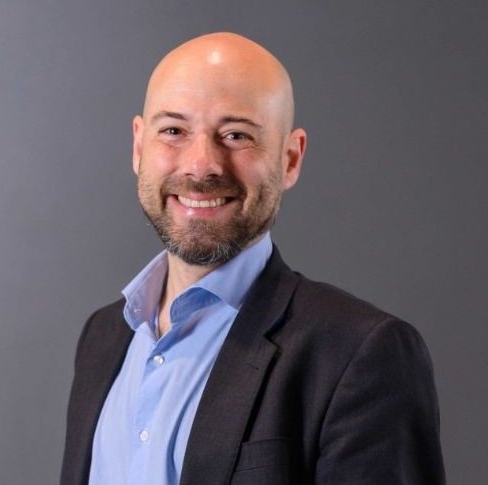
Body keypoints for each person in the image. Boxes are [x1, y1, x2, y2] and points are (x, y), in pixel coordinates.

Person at [61, 32, 445, 485]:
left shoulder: (358, 353)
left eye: (236, 135)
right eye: (173, 131)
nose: (202, 164)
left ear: (290, 159)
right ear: (139, 146)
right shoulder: (103, 337)